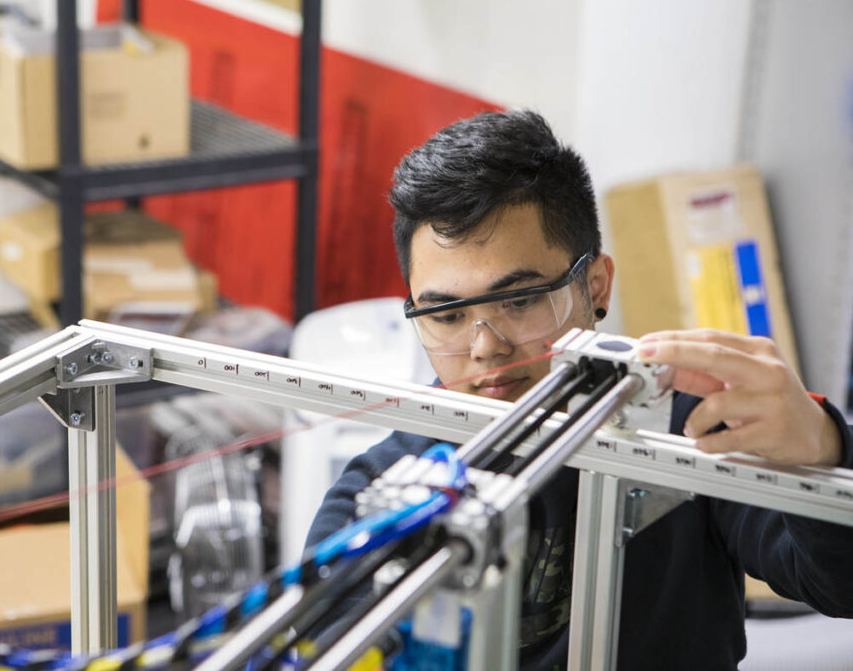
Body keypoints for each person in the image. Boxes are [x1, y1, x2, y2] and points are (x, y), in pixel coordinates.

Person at [306, 110, 853, 670]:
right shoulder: (382, 490)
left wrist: (826, 450)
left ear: (595, 286)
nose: (484, 347)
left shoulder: (692, 429)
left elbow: (839, 585)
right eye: (446, 315)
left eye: (518, 301)